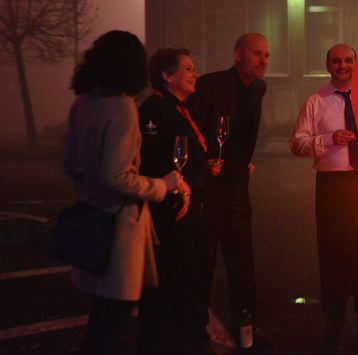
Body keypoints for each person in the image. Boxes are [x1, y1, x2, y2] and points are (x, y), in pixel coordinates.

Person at [64, 30, 181, 355]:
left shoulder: (83, 103)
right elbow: (115, 176)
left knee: (100, 318)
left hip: (89, 220)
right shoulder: (123, 107)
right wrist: (161, 185)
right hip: (118, 228)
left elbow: (70, 165)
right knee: (115, 320)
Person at [289, 43, 358, 348]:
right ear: (328, 66)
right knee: (334, 255)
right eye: (337, 61)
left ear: (357, 63)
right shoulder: (316, 102)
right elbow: (297, 144)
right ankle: (334, 322)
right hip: (333, 188)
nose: (343, 66)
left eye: (349, 61)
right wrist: (328, 139)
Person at [186, 33, 271, 347]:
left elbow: (244, 135)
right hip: (208, 188)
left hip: (236, 187)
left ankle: (246, 330)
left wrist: (242, 161)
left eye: (266, 55)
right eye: (256, 54)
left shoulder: (259, 89)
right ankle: (195, 330)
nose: (263, 61)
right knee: (203, 261)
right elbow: (192, 131)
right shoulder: (210, 85)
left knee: (242, 263)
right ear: (238, 55)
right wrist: (203, 164)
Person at [137, 48, 206, 355]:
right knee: (170, 275)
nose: (195, 75)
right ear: (167, 76)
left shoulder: (178, 108)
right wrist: (179, 185)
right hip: (170, 210)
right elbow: (152, 160)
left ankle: (182, 331)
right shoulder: (154, 109)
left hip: (186, 205)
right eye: (188, 69)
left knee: (185, 272)